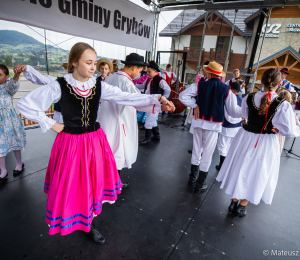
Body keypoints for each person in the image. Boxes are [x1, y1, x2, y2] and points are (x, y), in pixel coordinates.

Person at [17, 42, 174, 242]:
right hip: (71, 142)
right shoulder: (59, 85)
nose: (93, 67)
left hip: (94, 141)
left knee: (92, 181)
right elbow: (25, 104)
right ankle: (76, 218)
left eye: (95, 62)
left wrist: (158, 99)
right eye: (89, 63)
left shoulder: (99, 85)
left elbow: (126, 98)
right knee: (73, 183)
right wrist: (51, 124)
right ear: (74, 63)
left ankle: (90, 222)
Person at [216, 68, 300, 218]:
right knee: (257, 172)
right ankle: (242, 205)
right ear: (280, 83)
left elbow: (241, 114)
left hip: (245, 137)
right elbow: (291, 131)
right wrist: (279, 129)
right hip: (266, 141)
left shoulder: (250, 96)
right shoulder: (283, 104)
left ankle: (233, 202)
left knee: (241, 166)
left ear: (261, 81)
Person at [98, 53, 175, 188]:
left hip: (106, 121)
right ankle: (113, 184)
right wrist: (160, 103)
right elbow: (137, 100)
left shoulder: (110, 78)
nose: (140, 73)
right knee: (118, 153)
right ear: (134, 67)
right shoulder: (125, 82)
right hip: (119, 122)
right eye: (140, 70)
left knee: (109, 152)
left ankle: (109, 182)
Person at [179, 61, 241, 193]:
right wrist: (245, 113)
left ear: (209, 72)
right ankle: (200, 183)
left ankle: (192, 178)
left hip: (198, 122)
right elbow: (232, 110)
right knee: (207, 154)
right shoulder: (226, 89)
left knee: (197, 150)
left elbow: (182, 96)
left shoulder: (199, 85)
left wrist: (195, 105)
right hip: (213, 126)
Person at [0, 64, 26, 183]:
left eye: (0, 74)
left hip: (9, 121)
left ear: (6, 76)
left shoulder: (7, 87)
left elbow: (13, 85)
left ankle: (19, 164)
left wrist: (17, 75)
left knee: (15, 142)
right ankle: (3, 170)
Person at [136, 61, 171, 145]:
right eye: (147, 71)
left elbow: (168, 89)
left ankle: (147, 138)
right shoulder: (148, 79)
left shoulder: (160, 80)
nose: (148, 73)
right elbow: (141, 86)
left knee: (149, 119)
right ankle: (156, 136)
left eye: (149, 71)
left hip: (155, 103)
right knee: (152, 120)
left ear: (155, 71)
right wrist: (132, 86)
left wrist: (163, 100)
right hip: (149, 101)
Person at [216, 82, 243, 171]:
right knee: (231, 147)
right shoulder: (242, 100)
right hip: (237, 128)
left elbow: (229, 116)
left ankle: (222, 166)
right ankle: (228, 166)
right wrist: (240, 120)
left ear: (232, 90)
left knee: (223, 146)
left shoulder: (229, 99)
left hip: (227, 127)